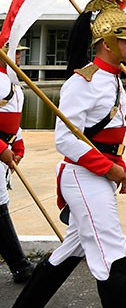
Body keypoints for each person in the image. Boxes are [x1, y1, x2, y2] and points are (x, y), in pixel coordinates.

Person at [14, 0, 126, 308]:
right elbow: (66, 140)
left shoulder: (115, 80)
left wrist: (116, 167)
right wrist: (109, 168)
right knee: (113, 253)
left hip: (99, 173)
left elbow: (112, 134)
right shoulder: (81, 82)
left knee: (71, 248)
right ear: (107, 43)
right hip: (83, 175)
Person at [0, 44, 35, 284]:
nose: (20, 56)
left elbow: (12, 120)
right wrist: (2, 149)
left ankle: (19, 264)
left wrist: (18, 145)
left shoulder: (12, 82)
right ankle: (20, 265)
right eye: (14, 51)